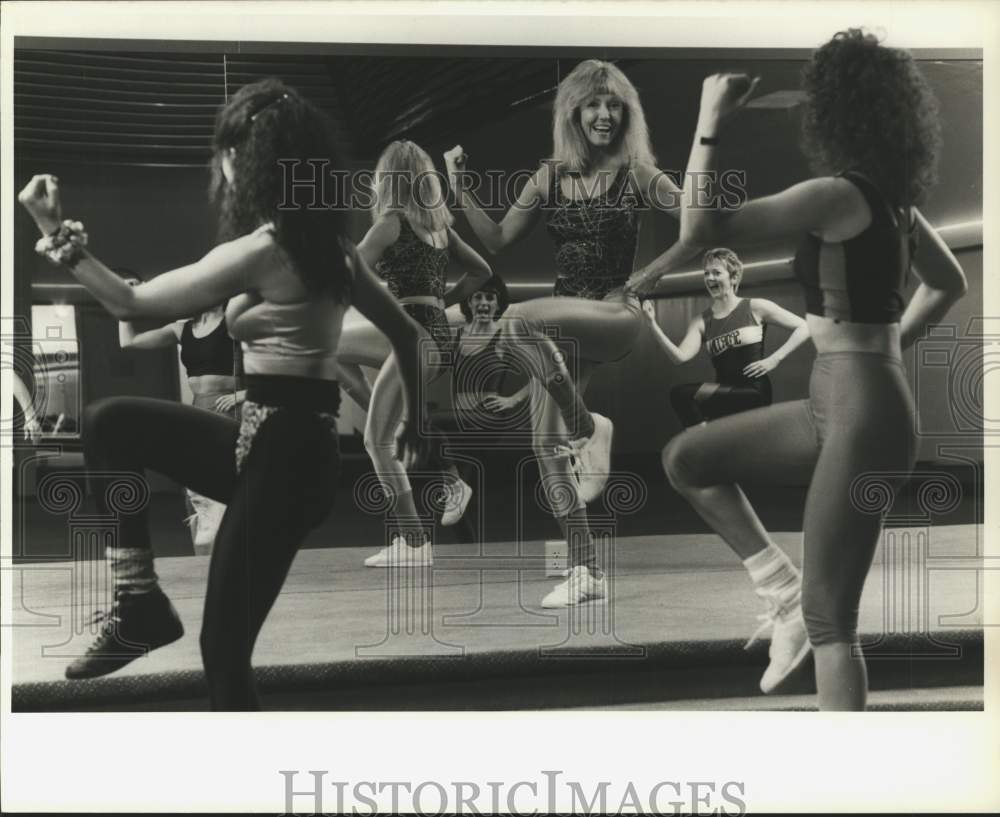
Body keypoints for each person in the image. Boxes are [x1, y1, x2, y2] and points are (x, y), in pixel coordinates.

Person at [18, 78, 431, 710]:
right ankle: (140, 600)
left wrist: (53, 230)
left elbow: (132, 302)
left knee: (222, 651)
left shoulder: (266, 250)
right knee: (108, 423)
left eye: (234, 151)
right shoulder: (333, 251)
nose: (227, 166)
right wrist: (416, 422)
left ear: (257, 160)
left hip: (285, 454)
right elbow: (405, 334)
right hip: (270, 442)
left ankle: (243, 774)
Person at [664, 30, 967, 709]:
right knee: (688, 458)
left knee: (833, 624)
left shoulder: (836, 195)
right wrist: (884, 353)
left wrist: (710, 119)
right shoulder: (895, 203)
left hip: (861, 410)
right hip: (845, 397)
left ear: (834, 111)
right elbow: (949, 285)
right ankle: (779, 590)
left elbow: (702, 227)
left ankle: (842, 779)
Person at [444, 59, 700, 607]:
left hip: (613, 315)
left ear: (626, 113)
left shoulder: (638, 173)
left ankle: (590, 427)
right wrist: (458, 186)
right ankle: (586, 571)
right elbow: (496, 240)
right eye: (593, 105)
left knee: (514, 320)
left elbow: (699, 230)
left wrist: (641, 280)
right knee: (543, 446)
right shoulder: (549, 177)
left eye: (614, 106)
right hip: (559, 333)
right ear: (573, 112)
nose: (604, 115)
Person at [232, 140, 492, 567]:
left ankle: (414, 543)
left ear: (386, 180)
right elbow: (482, 272)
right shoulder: (443, 228)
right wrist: (443, 302)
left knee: (375, 441)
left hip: (413, 340)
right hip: (432, 337)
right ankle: (403, 425)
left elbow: (347, 274)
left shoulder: (391, 223)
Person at [118, 301, 245, 554]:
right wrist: (124, 309)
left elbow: (278, 365)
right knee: (197, 486)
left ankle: (238, 552)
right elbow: (129, 341)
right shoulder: (181, 329)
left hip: (230, 407)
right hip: (199, 408)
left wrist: (245, 394)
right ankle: (205, 555)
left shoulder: (235, 324)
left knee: (230, 484)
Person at [642, 247, 810, 427]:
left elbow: (805, 327)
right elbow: (679, 357)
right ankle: (703, 438)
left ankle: (702, 437)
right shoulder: (701, 321)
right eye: (706, 273)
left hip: (753, 391)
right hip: (724, 393)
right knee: (681, 397)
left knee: (683, 395)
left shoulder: (755, 307)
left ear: (734, 278)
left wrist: (774, 359)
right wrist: (652, 324)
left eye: (716, 272)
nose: (709, 278)